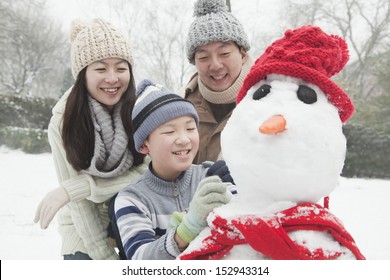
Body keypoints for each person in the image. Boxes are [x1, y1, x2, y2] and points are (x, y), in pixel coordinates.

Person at [33, 18, 149, 260]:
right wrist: (104, 256)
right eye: (100, 69)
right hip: (82, 223)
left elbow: (148, 173)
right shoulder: (63, 120)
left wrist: (79, 188)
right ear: (82, 74)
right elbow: (78, 204)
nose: (112, 78)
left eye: (120, 68)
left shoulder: (140, 108)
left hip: (138, 210)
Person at [114, 79, 234, 259]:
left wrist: (237, 192)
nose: (184, 139)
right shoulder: (132, 199)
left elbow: (249, 224)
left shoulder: (212, 176)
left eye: (190, 128)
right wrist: (187, 229)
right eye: (170, 132)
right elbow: (140, 258)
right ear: (144, 145)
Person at [183, 0, 254, 164]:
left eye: (224, 53)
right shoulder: (183, 106)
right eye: (203, 57)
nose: (215, 65)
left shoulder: (267, 99)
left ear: (242, 55)